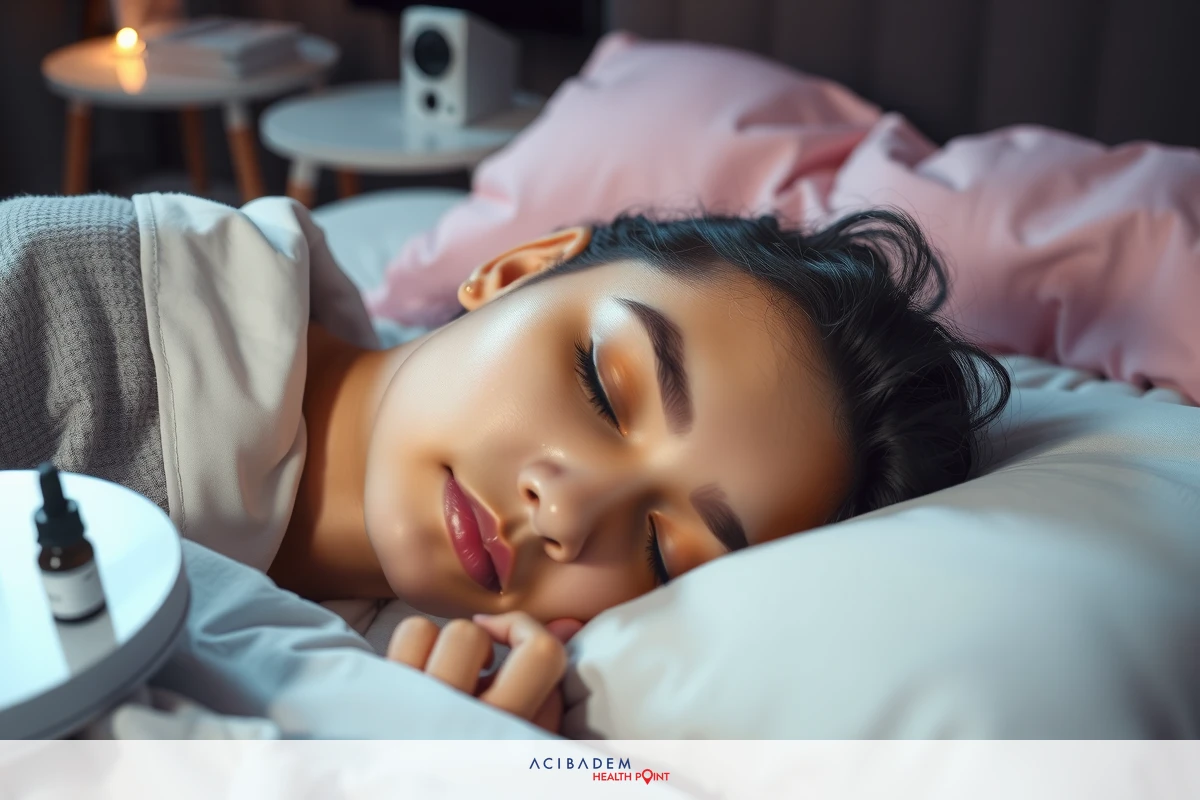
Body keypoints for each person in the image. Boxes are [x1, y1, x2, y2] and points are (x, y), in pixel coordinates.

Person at [0, 193, 1009, 731]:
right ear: (517, 268)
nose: (565, 512)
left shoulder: (442, 695)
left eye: (663, 551)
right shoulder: (57, 301)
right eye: (602, 385)